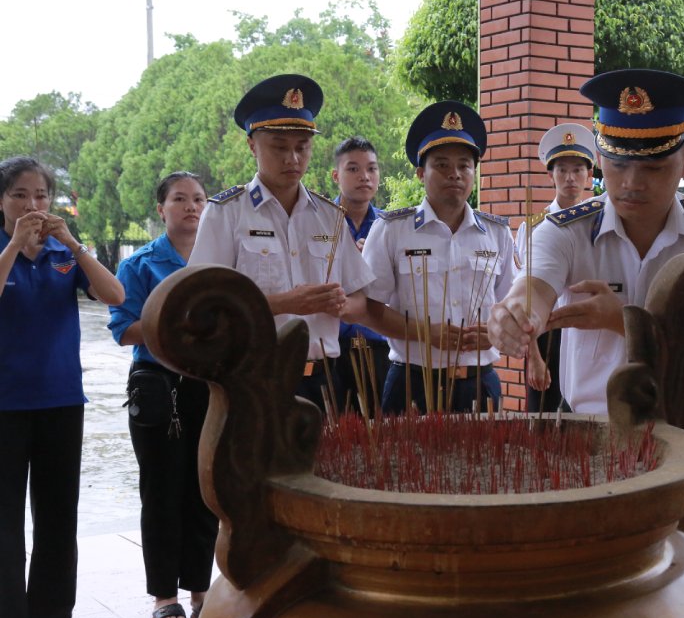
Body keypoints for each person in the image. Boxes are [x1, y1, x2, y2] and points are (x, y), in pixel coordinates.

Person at [487, 69, 684, 543]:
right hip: (587, 436)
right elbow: (533, 286)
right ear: (600, 159)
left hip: (683, 434)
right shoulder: (566, 230)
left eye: (653, 168)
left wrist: (625, 322)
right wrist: (515, 313)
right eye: (615, 165)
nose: (631, 183)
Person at [190, 74, 374, 412]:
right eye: (279, 147)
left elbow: (360, 299)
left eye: (302, 148)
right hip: (252, 380)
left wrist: (339, 304)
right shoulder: (226, 214)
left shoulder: (330, 217)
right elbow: (203, 307)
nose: (292, 158)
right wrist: (284, 303)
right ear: (251, 145)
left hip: (322, 381)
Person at [0, 156, 125, 618]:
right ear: (2, 201)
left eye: (41, 195)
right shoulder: (4, 246)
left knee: (57, 519)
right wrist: (14, 245)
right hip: (4, 405)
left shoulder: (64, 253)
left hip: (60, 401)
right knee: (5, 525)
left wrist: (72, 243)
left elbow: (115, 296)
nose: (33, 205)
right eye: (19, 195)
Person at [107, 172, 219, 618]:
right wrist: (174, 329)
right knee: (161, 491)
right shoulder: (140, 265)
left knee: (204, 490)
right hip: (156, 384)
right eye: (179, 199)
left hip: (207, 383)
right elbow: (122, 329)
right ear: (161, 208)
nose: (191, 207)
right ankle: (164, 596)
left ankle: (201, 591)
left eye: (198, 199)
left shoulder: (218, 260)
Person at [361, 100, 515, 414]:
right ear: (421, 172)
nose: (454, 174)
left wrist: (496, 334)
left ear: (474, 172)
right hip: (412, 383)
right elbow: (369, 308)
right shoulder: (391, 230)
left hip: (479, 383)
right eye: (441, 165)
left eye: (464, 165)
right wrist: (424, 333)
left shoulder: (497, 233)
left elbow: (510, 304)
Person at [515, 123, 596, 413]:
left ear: (589, 175)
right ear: (551, 175)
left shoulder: (598, 227)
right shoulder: (533, 228)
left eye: (578, 169)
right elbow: (526, 303)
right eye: (562, 170)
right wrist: (533, 356)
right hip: (546, 336)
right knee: (543, 426)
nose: (570, 178)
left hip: (587, 335)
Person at [330, 136, 390, 414]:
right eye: (353, 169)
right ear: (335, 176)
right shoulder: (317, 221)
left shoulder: (389, 227)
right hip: (332, 349)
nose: (364, 177)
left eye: (372, 169)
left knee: (380, 437)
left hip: (379, 349)